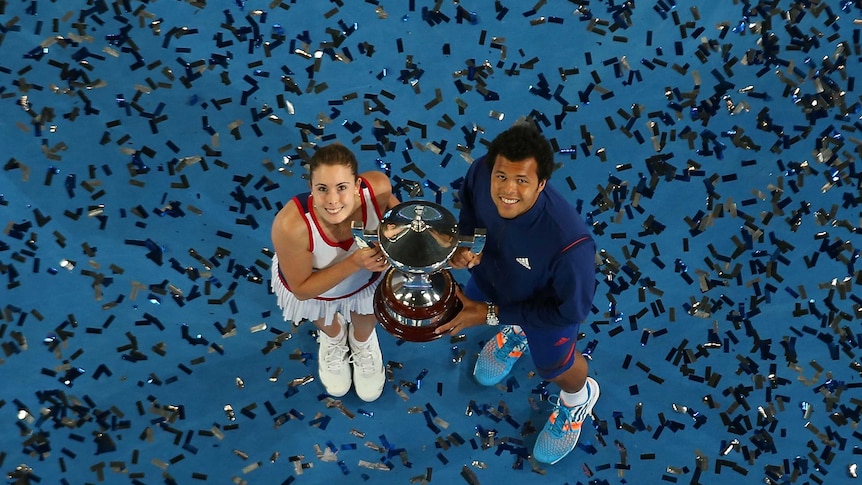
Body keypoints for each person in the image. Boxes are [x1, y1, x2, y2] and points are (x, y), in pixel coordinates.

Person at [435, 123, 598, 465]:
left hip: (545, 313)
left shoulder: (571, 245)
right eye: (501, 177)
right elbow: (469, 210)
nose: (507, 190)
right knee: (494, 311)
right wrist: (468, 244)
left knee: (556, 369)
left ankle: (577, 399)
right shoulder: (480, 171)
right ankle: (514, 331)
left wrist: (492, 314)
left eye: (522, 181)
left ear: (541, 184)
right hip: (491, 279)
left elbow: (569, 312)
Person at [270, 143, 399, 402]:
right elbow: (303, 290)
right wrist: (354, 263)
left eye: (341, 188)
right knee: (326, 319)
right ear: (311, 189)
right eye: (322, 189)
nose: (332, 200)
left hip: (366, 279)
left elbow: (396, 211)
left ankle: (362, 341)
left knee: (366, 318)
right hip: (316, 287)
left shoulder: (378, 188)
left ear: (357, 185)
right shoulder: (291, 227)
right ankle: (334, 337)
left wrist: (393, 229)